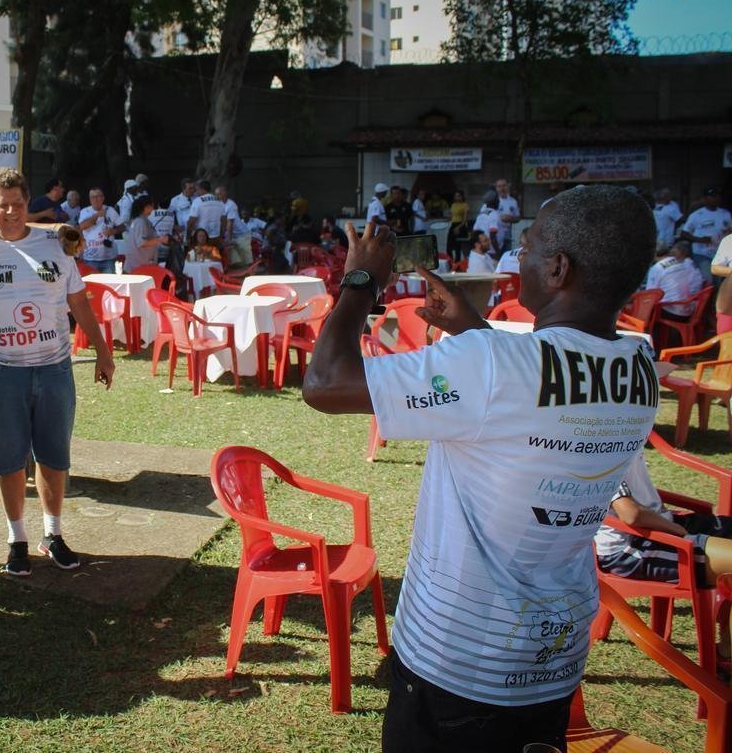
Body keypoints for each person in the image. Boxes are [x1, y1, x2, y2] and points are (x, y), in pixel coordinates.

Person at [302, 184, 658, 751]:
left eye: (532, 245)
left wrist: (361, 280)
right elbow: (543, 399)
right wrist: (475, 332)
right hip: (552, 660)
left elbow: (323, 385)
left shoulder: (493, 363)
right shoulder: (641, 366)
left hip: (457, 665)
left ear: (560, 268)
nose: (520, 258)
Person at [0, 167, 115, 575]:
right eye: (3, 206)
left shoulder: (55, 246)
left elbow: (80, 303)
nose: (12, 213)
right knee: (9, 461)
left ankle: (53, 534)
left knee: (54, 457)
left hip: (53, 369)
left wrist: (103, 352)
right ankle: (17, 538)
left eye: (19, 205)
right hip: (1, 372)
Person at [595, 452, 732, 658]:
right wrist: (679, 532)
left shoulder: (630, 430)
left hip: (659, 525)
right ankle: (726, 651)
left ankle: (725, 645)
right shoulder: (602, 449)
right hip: (631, 547)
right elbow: (630, 514)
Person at [680, 187, 732, 283]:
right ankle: (709, 297)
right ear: (705, 199)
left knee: (719, 280)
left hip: (719, 253)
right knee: (708, 279)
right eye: (712, 196)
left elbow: (730, 231)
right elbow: (684, 233)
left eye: (717, 196)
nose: (716, 198)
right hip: (702, 253)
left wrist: (727, 234)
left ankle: (716, 297)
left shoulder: (725, 214)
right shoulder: (696, 215)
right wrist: (700, 239)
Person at [646, 240, 704, 321]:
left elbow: (649, 295)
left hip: (674, 312)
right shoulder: (680, 263)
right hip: (687, 309)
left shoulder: (656, 268)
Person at [78, 187, 123, 274]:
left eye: (98, 196)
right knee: (92, 285)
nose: (95, 199)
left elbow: (122, 227)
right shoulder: (85, 211)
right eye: (93, 197)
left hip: (109, 258)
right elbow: (82, 226)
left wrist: (113, 231)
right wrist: (97, 215)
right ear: (90, 199)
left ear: (103, 198)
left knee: (109, 284)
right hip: (90, 258)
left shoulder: (110, 210)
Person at [123, 195, 171, 273]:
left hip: (140, 265)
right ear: (146, 207)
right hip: (138, 267)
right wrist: (160, 239)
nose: (153, 209)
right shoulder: (140, 222)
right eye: (151, 206)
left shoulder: (141, 221)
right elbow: (142, 243)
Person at [215, 185, 252, 267]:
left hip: (242, 235)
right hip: (232, 235)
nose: (217, 196)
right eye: (216, 194)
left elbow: (229, 223)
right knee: (235, 261)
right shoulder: (218, 204)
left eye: (219, 194)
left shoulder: (231, 205)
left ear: (225, 194)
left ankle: (249, 277)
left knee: (246, 261)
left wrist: (229, 239)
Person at [187, 180, 226, 245]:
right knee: (215, 254)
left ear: (202, 189)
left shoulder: (197, 201)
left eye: (197, 190)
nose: (196, 192)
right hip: (216, 237)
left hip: (202, 239)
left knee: (202, 255)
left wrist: (188, 237)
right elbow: (224, 221)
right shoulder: (219, 201)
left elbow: (191, 222)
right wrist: (221, 236)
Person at [495, 178, 521, 252]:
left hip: (507, 236)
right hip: (495, 236)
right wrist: (500, 218)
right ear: (496, 188)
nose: (502, 188)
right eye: (499, 186)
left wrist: (511, 218)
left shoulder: (513, 201)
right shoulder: (492, 201)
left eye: (504, 185)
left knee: (506, 259)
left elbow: (518, 218)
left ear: (508, 186)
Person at [448, 189, 471, 260]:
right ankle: (450, 261)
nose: (457, 198)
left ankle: (457, 262)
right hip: (453, 224)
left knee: (457, 246)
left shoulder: (465, 205)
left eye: (458, 196)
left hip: (461, 225)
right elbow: (451, 216)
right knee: (449, 246)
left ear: (462, 197)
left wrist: (458, 227)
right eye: (455, 196)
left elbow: (465, 219)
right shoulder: (453, 205)